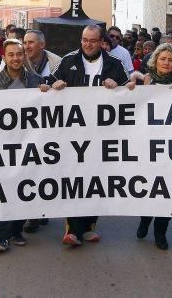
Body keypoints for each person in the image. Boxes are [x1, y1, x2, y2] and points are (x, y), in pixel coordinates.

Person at [51, 25, 129, 247]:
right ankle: (73, 229)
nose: (87, 44)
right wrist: (55, 85)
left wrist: (119, 86)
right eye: (84, 39)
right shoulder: (68, 61)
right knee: (74, 179)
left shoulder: (114, 64)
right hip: (73, 135)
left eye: (92, 40)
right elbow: (48, 84)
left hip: (102, 135)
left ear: (101, 42)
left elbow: (131, 92)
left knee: (96, 180)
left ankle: (88, 227)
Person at [0, 39, 46, 253]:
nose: (15, 58)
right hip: (0, 148)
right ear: (4, 57)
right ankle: (2, 236)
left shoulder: (36, 81)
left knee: (24, 190)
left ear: (24, 56)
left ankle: (16, 230)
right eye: (11, 54)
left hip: (27, 147)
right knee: (2, 192)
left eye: (19, 54)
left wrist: (51, 90)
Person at [134, 43, 172, 250]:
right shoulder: (145, 80)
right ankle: (145, 219)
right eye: (162, 59)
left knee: (168, 191)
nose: (166, 63)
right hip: (147, 146)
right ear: (155, 61)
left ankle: (160, 232)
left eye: (170, 60)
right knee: (150, 189)